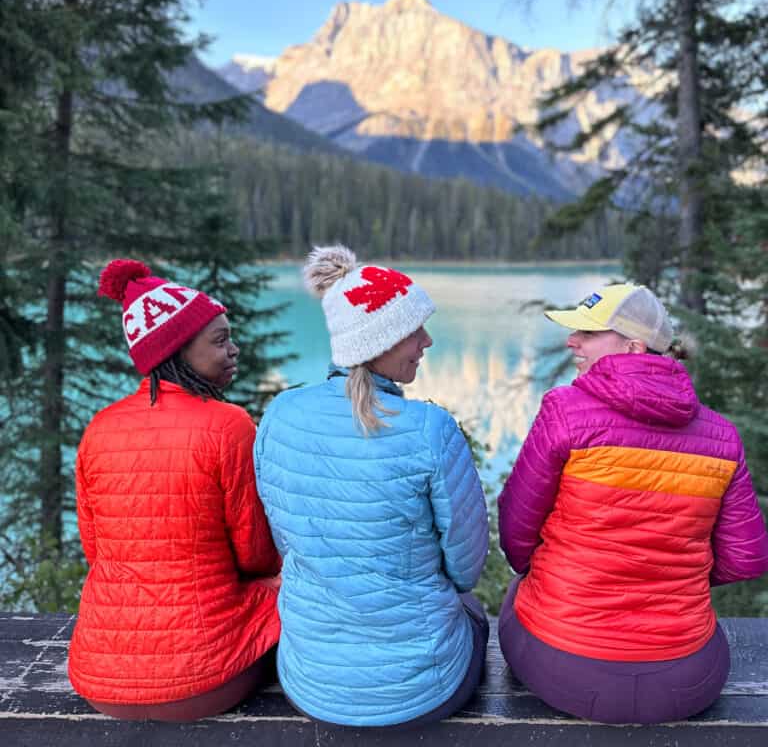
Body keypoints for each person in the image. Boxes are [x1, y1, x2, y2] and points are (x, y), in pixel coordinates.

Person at [497, 282, 768, 725]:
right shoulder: (721, 436)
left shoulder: (565, 411)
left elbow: (516, 534)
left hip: (564, 667)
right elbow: (747, 558)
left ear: (634, 346)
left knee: (518, 593)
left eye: (588, 332)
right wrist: (670, 573)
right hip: (685, 679)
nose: (572, 341)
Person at [254, 245, 489, 728]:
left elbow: (286, 542)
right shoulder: (430, 429)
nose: (427, 341)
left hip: (311, 681)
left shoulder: (279, 414)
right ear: (378, 342)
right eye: (412, 331)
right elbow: (466, 569)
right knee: (473, 613)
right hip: (423, 690)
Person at [68, 259, 281, 722]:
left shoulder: (99, 428)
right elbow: (256, 556)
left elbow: (96, 549)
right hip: (202, 683)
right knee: (290, 590)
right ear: (176, 349)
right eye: (220, 340)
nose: (234, 350)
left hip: (99, 680)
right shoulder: (229, 425)